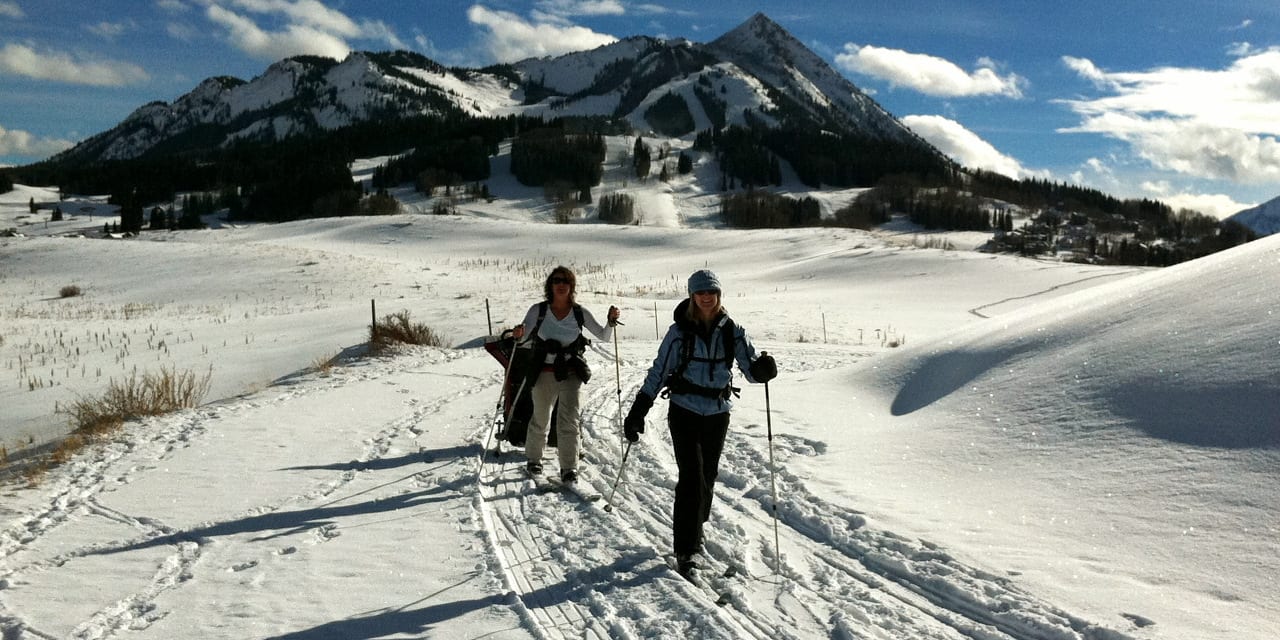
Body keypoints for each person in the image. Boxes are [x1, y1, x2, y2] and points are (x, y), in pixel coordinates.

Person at [623, 269, 776, 581]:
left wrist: (763, 370)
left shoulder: (733, 330)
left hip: (718, 413)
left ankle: (696, 528)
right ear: (692, 296)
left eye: (712, 292)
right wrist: (639, 409)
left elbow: (749, 368)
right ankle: (686, 549)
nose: (707, 297)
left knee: (707, 476)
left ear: (719, 295)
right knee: (692, 477)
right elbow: (659, 371)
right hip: (685, 410)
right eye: (701, 292)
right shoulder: (678, 332)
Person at [513, 266, 620, 484]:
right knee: (541, 417)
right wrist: (519, 334)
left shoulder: (579, 312)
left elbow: (603, 336)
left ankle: (569, 468)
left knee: (569, 420)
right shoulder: (538, 311)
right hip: (543, 371)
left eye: (565, 281)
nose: (561, 285)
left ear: (571, 286)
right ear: (550, 286)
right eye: (556, 281)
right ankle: (534, 459)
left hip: (571, 372)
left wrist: (610, 322)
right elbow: (522, 338)